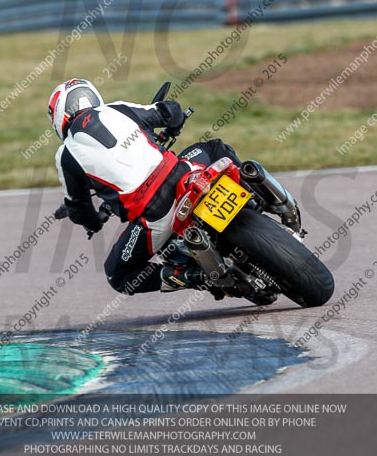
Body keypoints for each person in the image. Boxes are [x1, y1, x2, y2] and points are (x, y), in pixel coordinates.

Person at [49, 78, 255, 299]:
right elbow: (170, 111)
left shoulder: (66, 154)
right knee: (215, 148)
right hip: (182, 175)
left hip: (155, 215)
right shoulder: (116, 109)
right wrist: (174, 125)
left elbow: (78, 207)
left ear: (58, 115)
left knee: (117, 275)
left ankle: (198, 276)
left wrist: (94, 222)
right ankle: (259, 198)